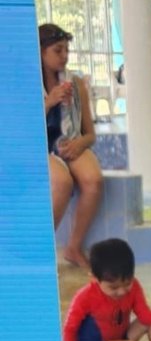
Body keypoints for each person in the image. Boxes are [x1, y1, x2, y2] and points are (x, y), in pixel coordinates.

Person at [39, 23, 103, 269]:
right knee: (62, 182)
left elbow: (90, 134)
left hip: (69, 143)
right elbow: (22, 130)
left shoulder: (75, 84)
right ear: (41, 52)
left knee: (93, 180)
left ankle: (73, 247)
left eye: (67, 50)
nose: (64, 56)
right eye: (58, 50)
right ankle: (42, 249)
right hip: (40, 148)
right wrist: (49, 102)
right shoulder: (28, 85)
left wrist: (79, 144)